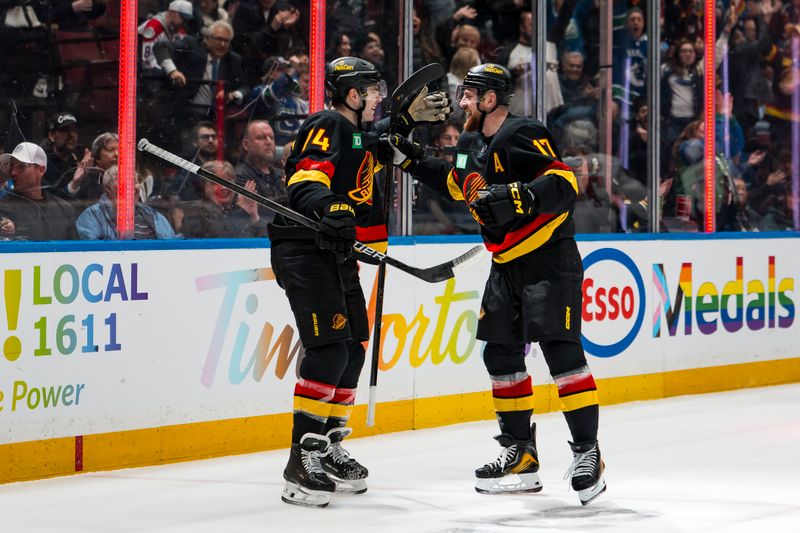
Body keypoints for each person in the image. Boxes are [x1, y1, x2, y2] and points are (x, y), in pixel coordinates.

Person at [383, 63, 606, 505]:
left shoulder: (524, 132)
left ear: (489, 99)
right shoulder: (468, 141)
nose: (461, 102)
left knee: (562, 353)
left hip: (548, 260)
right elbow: (458, 184)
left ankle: (588, 454)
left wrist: (523, 194)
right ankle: (520, 454)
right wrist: (411, 160)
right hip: (505, 264)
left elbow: (563, 181)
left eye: (468, 96)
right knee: (500, 353)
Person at [267, 57, 390, 508]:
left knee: (354, 344)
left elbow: (374, 149)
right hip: (304, 246)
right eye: (372, 91)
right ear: (352, 95)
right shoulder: (326, 122)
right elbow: (305, 176)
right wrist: (329, 205)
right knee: (329, 348)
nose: (378, 98)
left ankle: (330, 443)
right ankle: (303, 458)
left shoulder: (357, 133)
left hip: (335, 250)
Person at [76, 165, 177, 240]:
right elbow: (93, 253)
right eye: (124, 182)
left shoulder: (152, 215)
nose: (132, 187)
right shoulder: (91, 216)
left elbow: (174, 246)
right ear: (108, 189)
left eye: (135, 182)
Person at [0, 142, 76, 241]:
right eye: (12, 166)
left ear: (40, 170)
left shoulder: (64, 209)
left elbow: (75, 249)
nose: (13, 172)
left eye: (22, 166)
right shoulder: (4, 207)